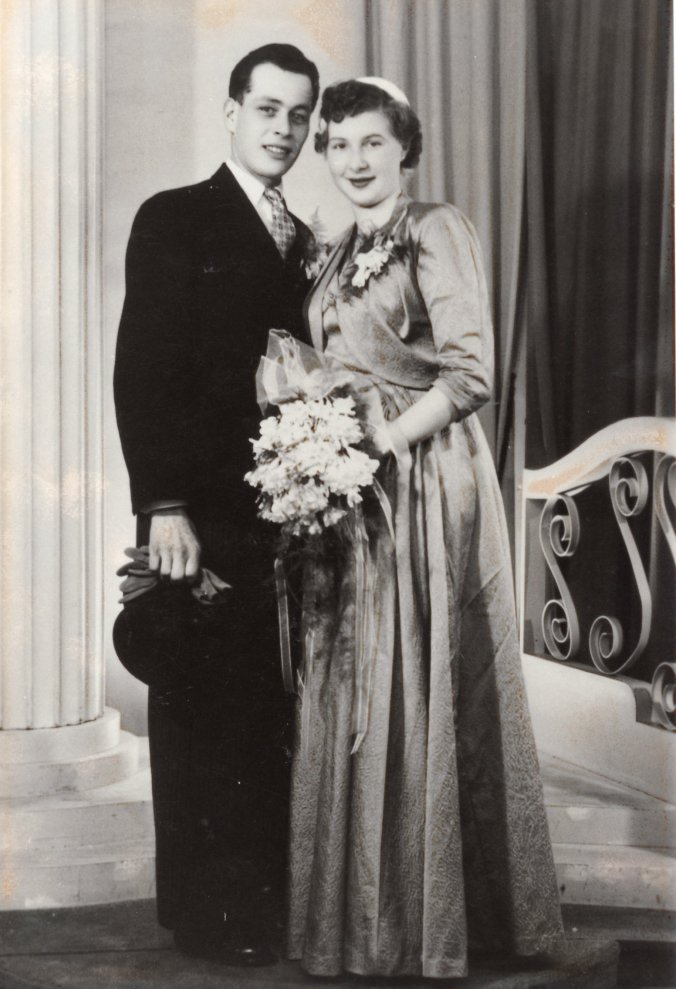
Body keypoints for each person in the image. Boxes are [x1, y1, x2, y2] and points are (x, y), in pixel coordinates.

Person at [286, 78, 564, 979]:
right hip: (351, 488)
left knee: (422, 678)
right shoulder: (334, 248)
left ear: (406, 147)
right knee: (362, 682)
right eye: (338, 145)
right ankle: (366, 922)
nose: (355, 161)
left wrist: (380, 442)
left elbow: (470, 372)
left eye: (373, 142)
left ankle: (436, 920)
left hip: (424, 477)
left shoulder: (434, 228)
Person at [113, 44, 319, 966]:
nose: (284, 129)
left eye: (299, 114)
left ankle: (259, 907)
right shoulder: (176, 216)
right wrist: (162, 505)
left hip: (288, 510)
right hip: (195, 510)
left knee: (263, 709)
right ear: (232, 111)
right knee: (202, 703)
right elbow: (142, 372)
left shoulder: (306, 240)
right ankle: (204, 915)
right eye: (267, 109)